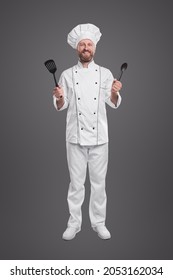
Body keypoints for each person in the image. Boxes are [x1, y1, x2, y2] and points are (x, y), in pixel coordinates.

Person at [53, 23, 122, 240]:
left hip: (100, 137)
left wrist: (114, 92)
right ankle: (74, 224)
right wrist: (59, 96)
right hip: (75, 136)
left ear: (94, 48)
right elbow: (62, 105)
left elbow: (113, 103)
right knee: (76, 183)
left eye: (89, 44)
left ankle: (99, 223)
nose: (85, 47)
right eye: (82, 44)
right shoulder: (65, 74)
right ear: (76, 48)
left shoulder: (105, 73)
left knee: (99, 184)